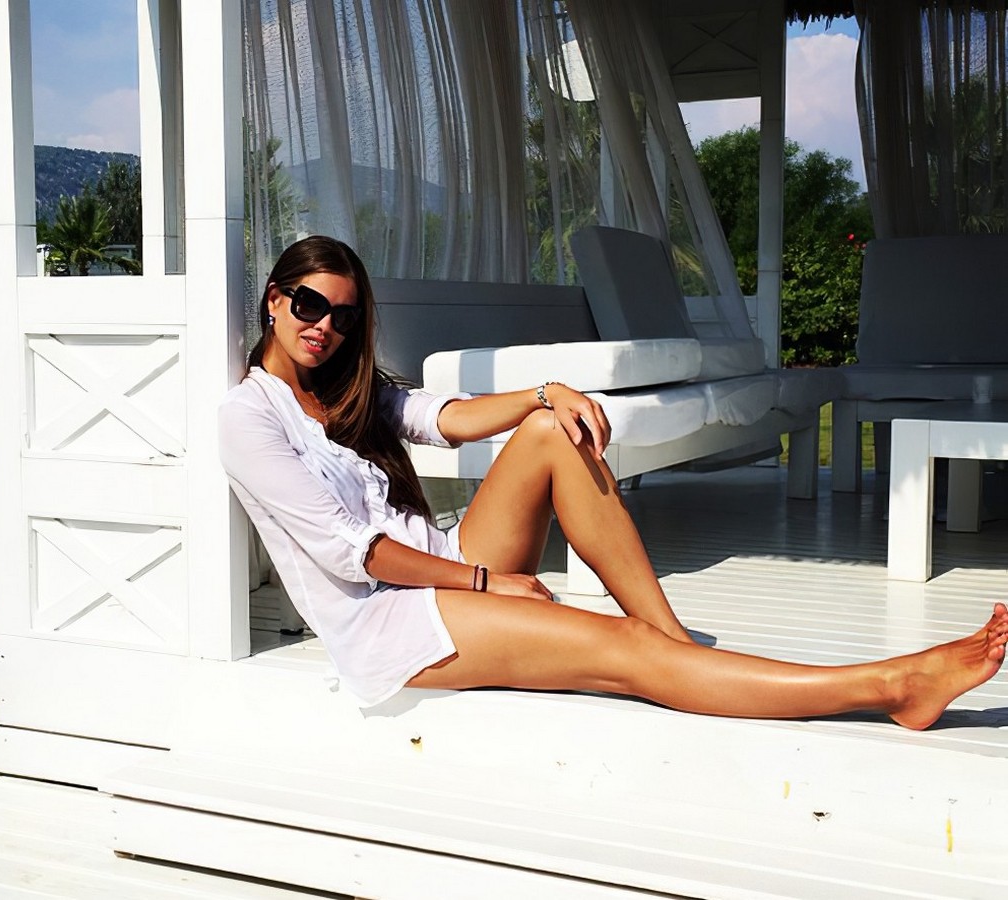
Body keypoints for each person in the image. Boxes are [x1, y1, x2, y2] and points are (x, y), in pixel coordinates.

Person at [219, 235, 1007, 729]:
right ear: (275, 300)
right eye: (310, 305)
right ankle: (891, 685)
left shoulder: (343, 393)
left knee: (547, 431)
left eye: (345, 315)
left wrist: (546, 392)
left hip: (448, 567)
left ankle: (669, 642)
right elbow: (356, 554)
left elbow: (445, 416)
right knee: (623, 651)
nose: (326, 325)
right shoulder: (249, 418)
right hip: (393, 620)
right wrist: (489, 582)